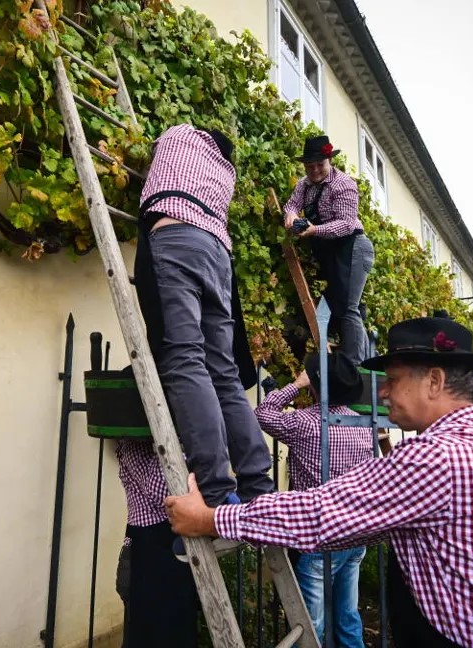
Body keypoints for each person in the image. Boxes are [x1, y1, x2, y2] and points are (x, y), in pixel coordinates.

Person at [166, 316, 473, 647]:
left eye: (393, 379)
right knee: (347, 614)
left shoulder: (440, 455)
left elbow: (319, 513)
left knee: (321, 616)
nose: (383, 391)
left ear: (433, 380)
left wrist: (212, 519)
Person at [133, 123, 275, 514]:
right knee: (224, 373)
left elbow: (153, 144)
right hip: (217, 254)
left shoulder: (179, 134)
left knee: (183, 360)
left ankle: (214, 492)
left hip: (177, 240)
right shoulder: (224, 172)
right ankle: (259, 486)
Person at [255, 352, 374, 646]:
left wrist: (296, 384)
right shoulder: (362, 425)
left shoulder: (305, 424)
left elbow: (263, 414)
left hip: (319, 534)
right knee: (347, 618)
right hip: (355, 532)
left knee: (311, 626)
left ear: (315, 385)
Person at [282, 135, 375, 364]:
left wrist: (314, 230)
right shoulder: (304, 185)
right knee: (336, 304)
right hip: (331, 252)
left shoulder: (343, 184)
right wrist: (291, 216)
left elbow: (346, 224)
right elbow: (292, 204)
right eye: (309, 166)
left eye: (319, 165)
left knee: (348, 306)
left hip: (352, 246)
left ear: (329, 161)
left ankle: (354, 364)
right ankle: (352, 357)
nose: (314, 171)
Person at [114, 439, 197, 648]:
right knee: (153, 628)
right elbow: (164, 495)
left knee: (175, 622)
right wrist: (178, 443)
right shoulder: (133, 445)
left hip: (163, 543)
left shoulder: (146, 444)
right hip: (149, 546)